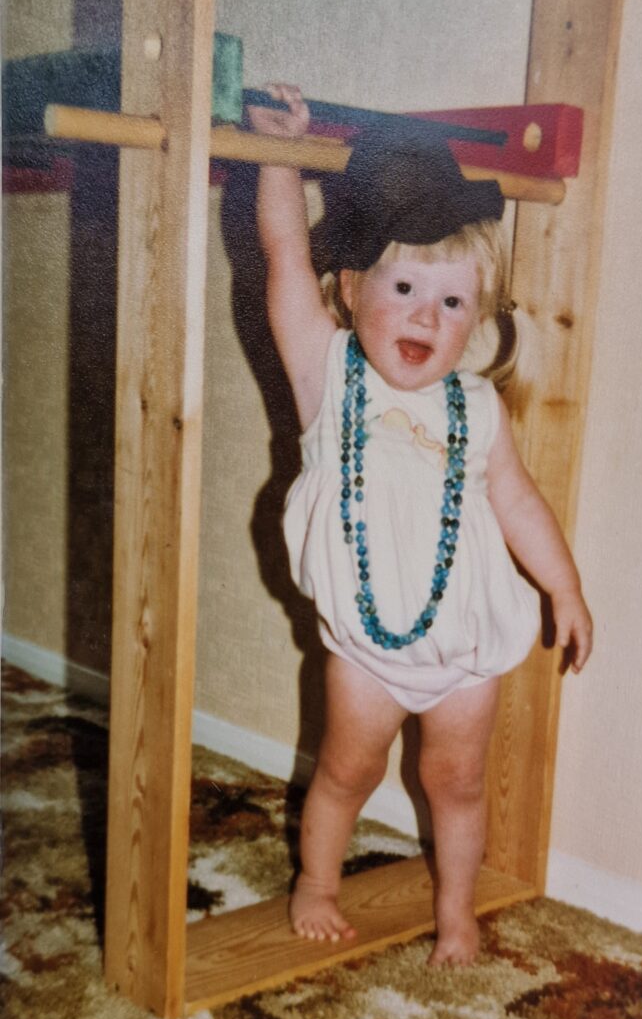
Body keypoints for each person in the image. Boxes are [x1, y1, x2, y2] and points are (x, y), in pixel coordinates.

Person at [249, 84, 593, 966]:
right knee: (348, 771)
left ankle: (456, 913)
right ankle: (316, 884)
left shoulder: (476, 408)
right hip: (367, 649)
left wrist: (564, 586)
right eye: (404, 288)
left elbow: (517, 502)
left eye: (451, 303)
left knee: (459, 783)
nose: (424, 317)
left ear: (474, 318)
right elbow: (285, 257)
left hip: (466, 648)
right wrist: (281, 157)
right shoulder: (330, 379)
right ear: (353, 287)